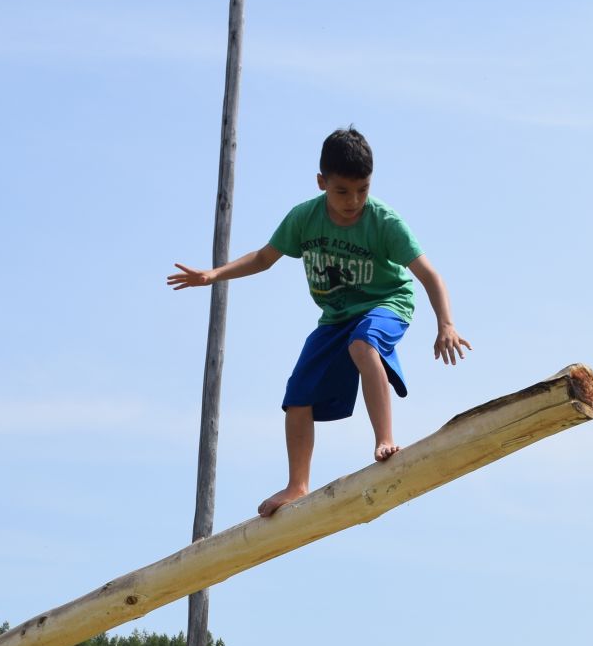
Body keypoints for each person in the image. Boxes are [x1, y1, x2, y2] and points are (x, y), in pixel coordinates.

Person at [167, 126, 471, 517]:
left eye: (362, 189)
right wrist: (213, 275)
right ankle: (297, 484)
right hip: (335, 316)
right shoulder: (305, 219)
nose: (353, 201)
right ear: (322, 182)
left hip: (387, 303)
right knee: (298, 394)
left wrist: (445, 323)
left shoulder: (384, 222)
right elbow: (263, 258)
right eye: (342, 191)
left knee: (363, 345)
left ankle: (385, 440)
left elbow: (430, 274)